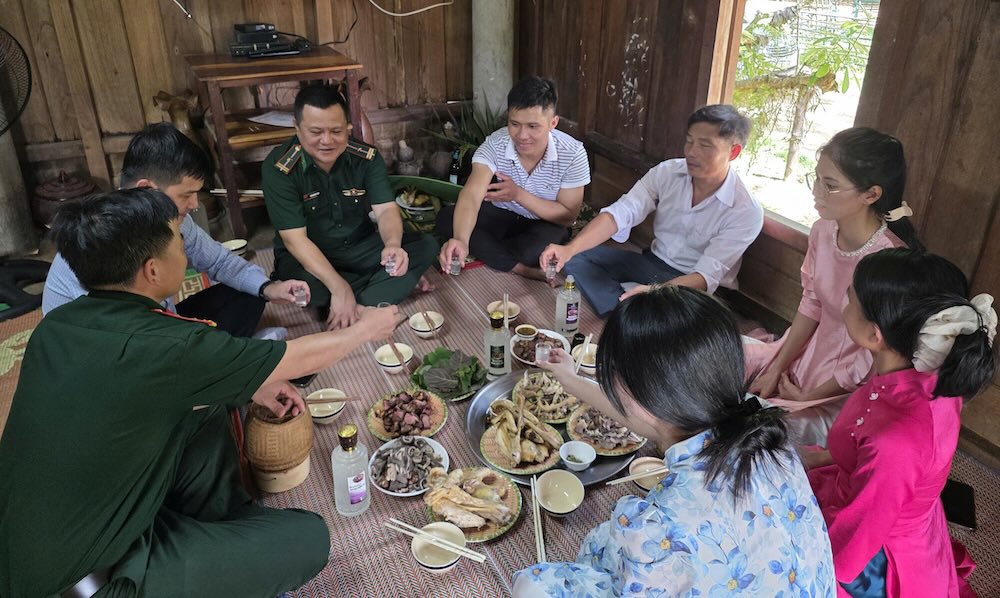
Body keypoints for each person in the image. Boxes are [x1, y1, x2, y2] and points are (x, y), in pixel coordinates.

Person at [0, 189, 401, 597]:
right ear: (152, 270)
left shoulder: (59, 323)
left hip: (62, 525)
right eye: (178, 241)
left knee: (208, 412)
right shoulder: (164, 345)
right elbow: (290, 356)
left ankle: (217, 534)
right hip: (85, 577)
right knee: (307, 538)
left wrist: (250, 383)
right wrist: (365, 329)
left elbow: (148, 390)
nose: (187, 253)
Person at [513, 285, 835, 596]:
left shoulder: (656, 529)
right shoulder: (763, 425)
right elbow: (647, 417)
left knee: (531, 585)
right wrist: (570, 379)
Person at [803, 248, 996, 597]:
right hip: (881, 497)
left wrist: (810, 569)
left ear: (875, 335)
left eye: (850, 300)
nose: (845, 306)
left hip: (878, 551)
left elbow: (859, 535)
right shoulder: (932, 371)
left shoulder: (898, 440)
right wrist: (819, 458)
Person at [42, 122, 306, 339]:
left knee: (247, 292)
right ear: (147, 189)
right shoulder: (102, 240)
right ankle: (237, 363)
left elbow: (217, 261)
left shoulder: (173, 219)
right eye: (187, 195)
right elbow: (125, 337)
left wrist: (269, 288)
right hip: (114, 346)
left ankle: (234, 357)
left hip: (158, 322)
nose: (193, 205)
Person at [746, 127, 923, 445]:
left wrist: (810, 396)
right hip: (808, 352)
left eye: (830, 185)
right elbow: (811, 302)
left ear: (871, 194)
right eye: (815, 179)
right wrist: (778, 366)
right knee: (731, 361)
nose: (816, 192)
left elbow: (871, 353)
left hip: (846, 383)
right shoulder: (822, 230)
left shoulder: (889, 259)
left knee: (768, 434)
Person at [538, 104, 762, 317]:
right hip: (653, 263)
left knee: (692, 314)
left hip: (693, 286)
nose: (692, 152)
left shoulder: (745, 210)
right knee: (576, 259)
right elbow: (621, 213)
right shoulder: (667, 172)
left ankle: (634, 310)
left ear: (733, 152)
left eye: (705, 146)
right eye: (689, 142)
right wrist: (570, 249)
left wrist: (654, 291)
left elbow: (705, 277)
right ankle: (630, 312)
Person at [263, 83, 437, 330]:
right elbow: (294, 241)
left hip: (361, 247)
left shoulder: (366, 157)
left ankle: (354, 304)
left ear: (348, 127)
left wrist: (393, 246)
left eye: (336, 131)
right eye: (316, 132)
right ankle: (371, 292)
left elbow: (386, 210)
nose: (327, 141)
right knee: (303, 288)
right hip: (309, 257)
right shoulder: (279, 168)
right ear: (297, 127)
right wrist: (339, 286)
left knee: (425, 245)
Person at [437, 76, 591, 281]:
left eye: (533, 126)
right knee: (448, 219)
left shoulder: (572, 153)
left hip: (543, 221)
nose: (522, 135)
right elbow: (472, 195)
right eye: (514, 124)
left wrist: (518, 194)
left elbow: (568, 216)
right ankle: (519, 267)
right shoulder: (495, 144)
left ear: (553, 123)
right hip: (503, 215)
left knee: (536, 250)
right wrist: (461, 241)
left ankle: (496, 252)